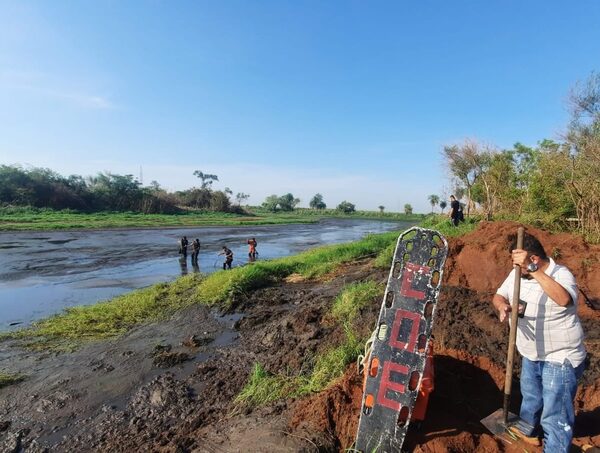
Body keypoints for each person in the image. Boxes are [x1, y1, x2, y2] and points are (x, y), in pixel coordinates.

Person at [492, 232, 586, 451]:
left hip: (560, 357)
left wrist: (533, 271)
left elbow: (564, 299)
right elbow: (498, 295)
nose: (518, 269)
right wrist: (501, 306)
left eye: (522, 265)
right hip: (530, 353)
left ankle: (555, 447)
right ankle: (528, 431)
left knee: (555, 413)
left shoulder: (561, 274)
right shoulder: (518, 274)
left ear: (533, 259)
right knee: (532, 398)